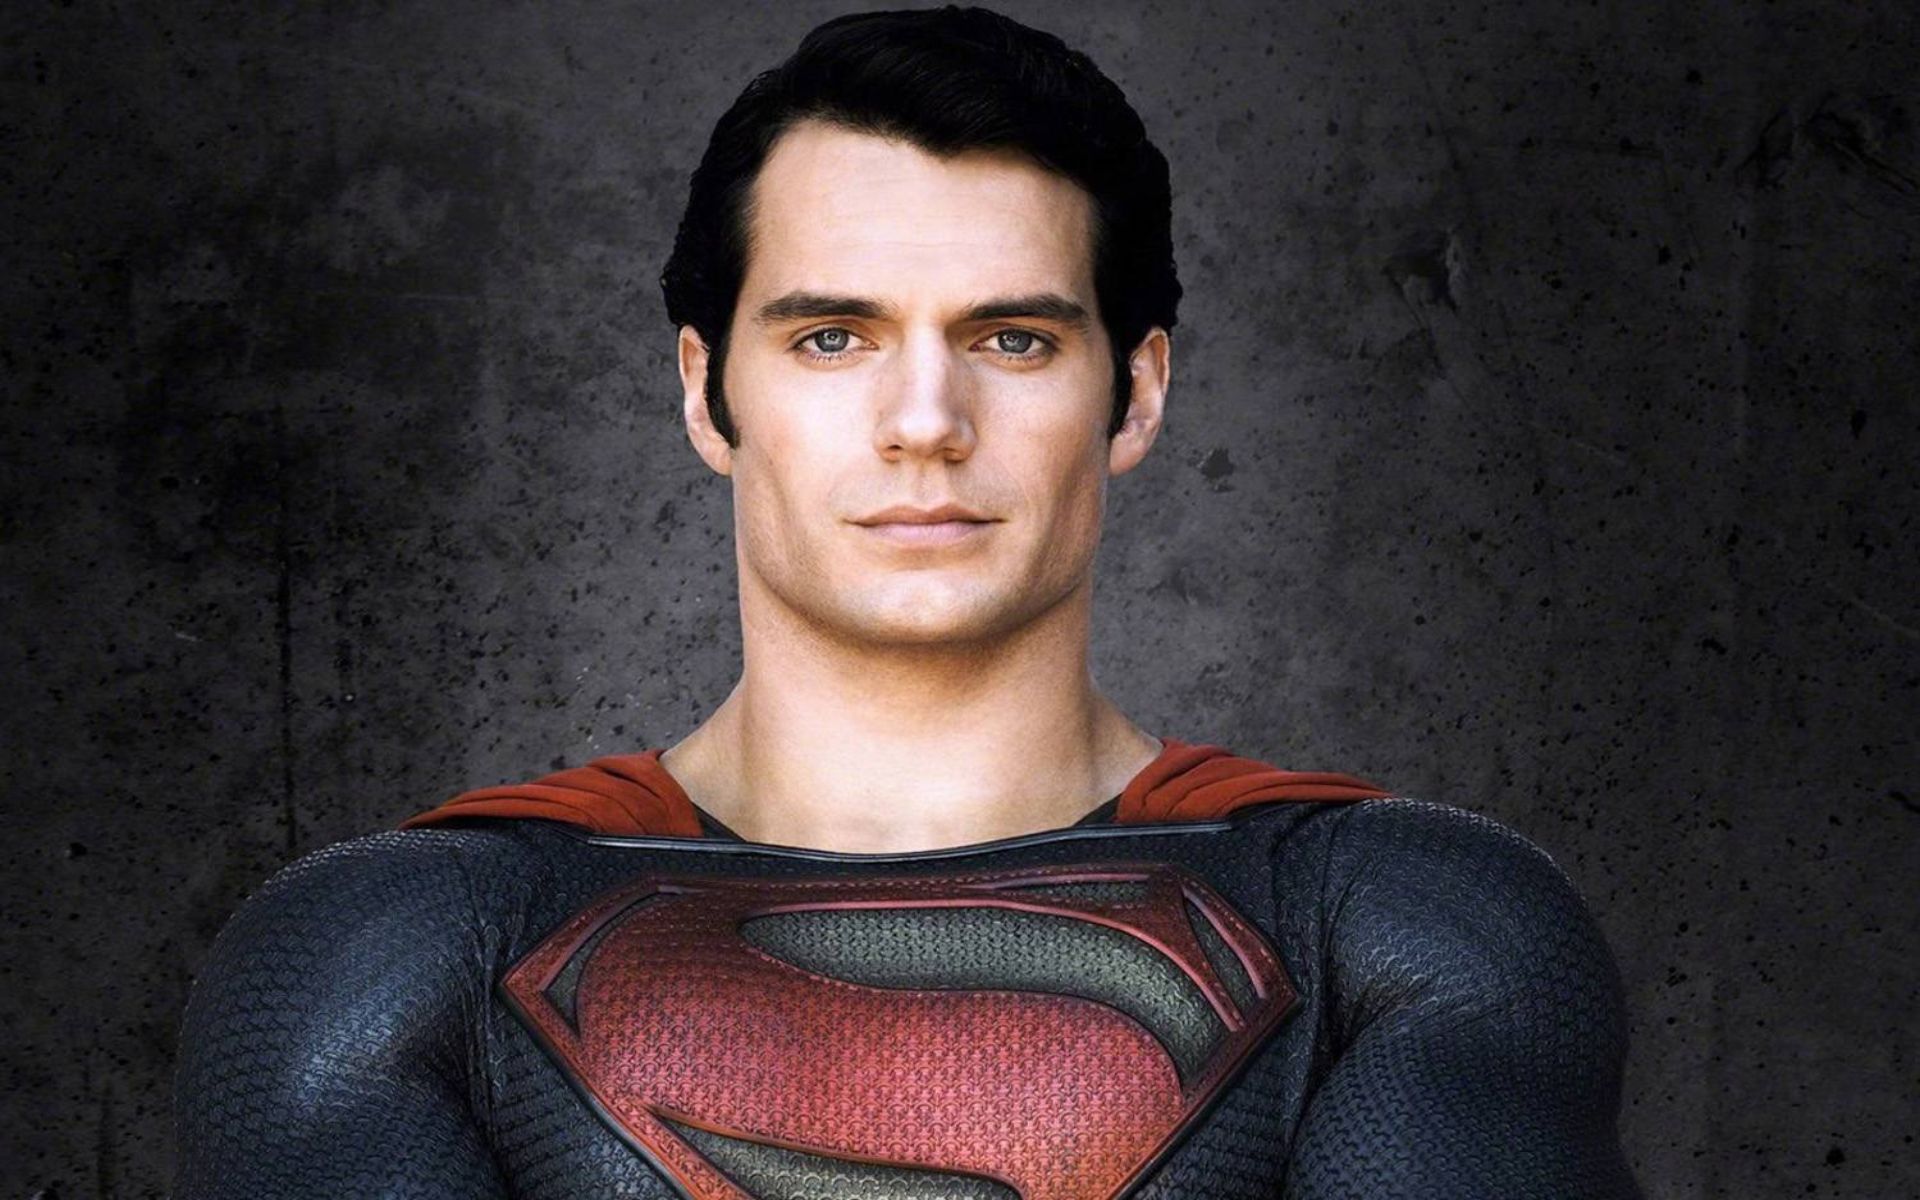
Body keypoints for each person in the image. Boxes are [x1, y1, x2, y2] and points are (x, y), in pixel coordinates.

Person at [172, 7, 1641, 1196]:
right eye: (832, 336)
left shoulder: (1403, 929)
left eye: (1012, 339)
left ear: (1136, 394)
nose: (925, 422)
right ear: (706, 391)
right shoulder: (391, 955)